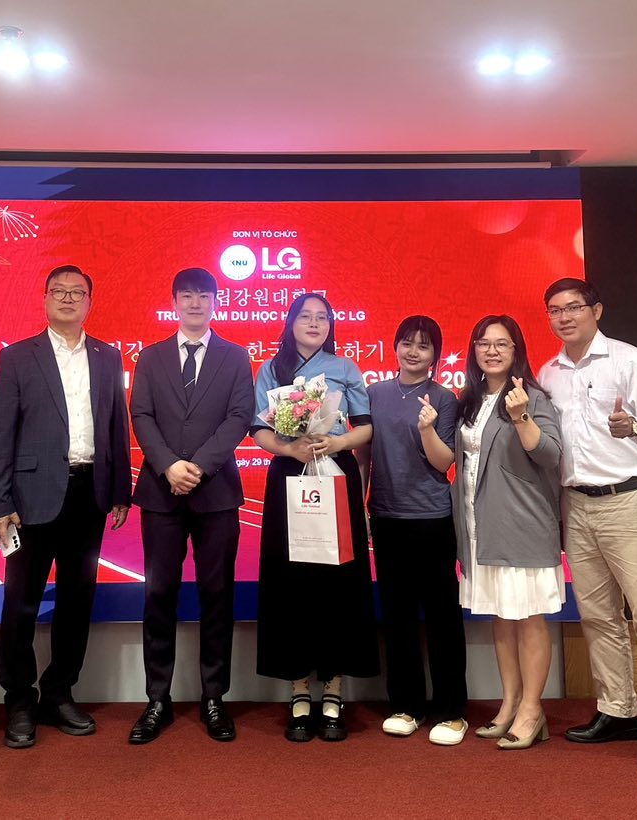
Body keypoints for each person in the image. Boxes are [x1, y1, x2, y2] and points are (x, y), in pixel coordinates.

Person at [538, 277, 637, 774]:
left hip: (629, 502)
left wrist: (634, 427)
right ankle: (618, 711)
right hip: (576, 506)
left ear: (596, 310)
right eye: (555, 310)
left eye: (574, 307)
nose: (564, 317)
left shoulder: (630, 360)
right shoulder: (548, 373)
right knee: (599, 617)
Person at [0, 264, 132, 749]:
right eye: (59, 291)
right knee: (21, 603)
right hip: (29, 498)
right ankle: (19, 699)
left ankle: (59, 692)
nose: (68, 298)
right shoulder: (17, 356)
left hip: (90, 493)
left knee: (76, 600)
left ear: (90, 301)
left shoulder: (108, 356)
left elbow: (116, 425)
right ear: (45, 299)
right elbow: (2, 432)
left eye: (78, 292)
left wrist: (120, 489)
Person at [127, 267, 254, 744]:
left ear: (216, 302)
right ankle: (157, 699)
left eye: (204, 295)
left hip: (216, 492)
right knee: (158, 594)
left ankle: (214, 697)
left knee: (216, 594)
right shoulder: (151, 356)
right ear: (175, 302)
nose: (195, 303)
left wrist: (197, 466)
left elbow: (239, 416)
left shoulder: (235, 356)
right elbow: (141, 414)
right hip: (161, 493)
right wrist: (168, 466)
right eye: (187, 295)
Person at [252, 292, 379, 743]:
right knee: (292, 581)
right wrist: (290, 448)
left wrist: (337, 444)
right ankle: (299, 690)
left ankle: (335, 689)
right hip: (290, 473)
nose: (313, 323)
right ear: (290, 322)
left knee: (336, 580)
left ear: (330, 326)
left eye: (322, 317)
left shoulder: (345, 367)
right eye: (305, 316)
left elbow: (365, 427)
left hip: (335, 473)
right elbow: (259, 429)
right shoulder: (271, 369)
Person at [453, 314, 565, 751]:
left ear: (516, 350)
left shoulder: (532, 397)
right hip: (480, 526)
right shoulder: (470, 400)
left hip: (522, 525)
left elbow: (550, 454)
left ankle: (532, 710)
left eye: (502, 343)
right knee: (501, 617)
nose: (492, 351)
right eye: (483, 343)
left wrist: (521, 418)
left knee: (529, 617)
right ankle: (510, 703)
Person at [356, 316, 468, 746]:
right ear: (395, 346)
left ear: (436, 354)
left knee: (442, 617)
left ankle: (451, 711)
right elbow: (364, 456)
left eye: (423, 345)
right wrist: (360, 505)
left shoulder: (444, 398)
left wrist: (426, 428)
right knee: (397, 616)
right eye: (407, 342)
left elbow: (444, 463)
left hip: (433, 520)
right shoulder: (375, 394)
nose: (413, 351)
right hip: (387, 517)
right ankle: (406, 706)